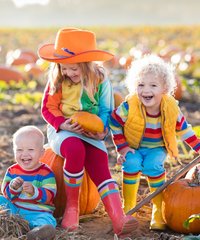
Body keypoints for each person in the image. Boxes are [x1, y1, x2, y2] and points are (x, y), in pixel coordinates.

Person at [38, 27, 139, 238]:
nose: (68, 73)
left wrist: (101, 132)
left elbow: (105, 111)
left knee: (100, 160)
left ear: (87, 65)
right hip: (63, 130)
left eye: (74, 69)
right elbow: (48, 109)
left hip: (90, 131)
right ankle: (71, 212)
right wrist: (62, 124)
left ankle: (118, 218)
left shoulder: (101, 81)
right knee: (75, 150)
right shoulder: (57, 79)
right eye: (64, 68)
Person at [109, 54, 200, 231]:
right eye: (141, 85)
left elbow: (184, 130)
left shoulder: (170, 108)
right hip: (133, 147)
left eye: (153, 85)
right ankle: (129, 210)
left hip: (156, 148)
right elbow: (114, 123)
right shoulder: (129, 106)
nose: (146, 90)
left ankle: (158, 213)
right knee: (131, 164)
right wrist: (123, 148)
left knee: (153, 166)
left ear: (164, 89)